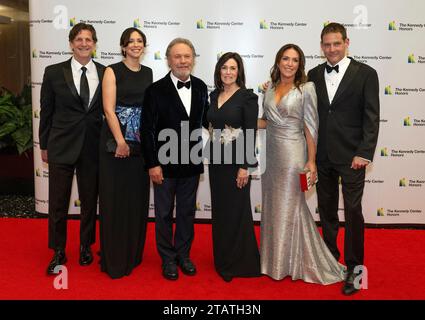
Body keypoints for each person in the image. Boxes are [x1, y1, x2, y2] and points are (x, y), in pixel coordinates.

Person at [259, 44, 345, 285]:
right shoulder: (270, 87)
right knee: (274, 205)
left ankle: (291, 263)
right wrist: (238, 122)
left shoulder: (306, 88)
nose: (289, 63)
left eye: (294, 60)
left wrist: (311, 160)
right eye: (285, 59)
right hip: (271, 155)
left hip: (293, 154)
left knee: (290, 205)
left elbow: (311, 126)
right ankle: (273, 260)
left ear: (300, 65)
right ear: (277, 61)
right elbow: (266, 122)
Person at [307, 23, 379, 295]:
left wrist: (365, 152)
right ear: (321, 45)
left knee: (353, 212)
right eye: (327, 44)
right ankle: (328, 260)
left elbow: (371, 117)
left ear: (346, 42)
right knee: (326, 212)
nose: (332, 49)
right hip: (323, 155)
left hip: (352, 156)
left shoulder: (366, 74)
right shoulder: (312, 74)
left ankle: (355, 269)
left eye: (336, 43)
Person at [39, 23, 105, 275]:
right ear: (71, 43)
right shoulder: (54, 72)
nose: (84, 43)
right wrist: (44, 144)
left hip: (92, 146)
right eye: (79, 39)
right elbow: (46, 111)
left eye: (89, 39)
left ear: (94, 44)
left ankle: (86, 246)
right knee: (58, 202)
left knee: (90, 201)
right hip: (61, 144)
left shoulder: (104, 71)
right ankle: (58, 250)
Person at [142, 38, 209, 280]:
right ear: (169, 60)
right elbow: (147, 130)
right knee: (162, 213)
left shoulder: (201, 87)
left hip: (191, 163)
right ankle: (167, 258)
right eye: (177, 56)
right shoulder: (155, 90)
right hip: (163, 165)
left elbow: (208, 122)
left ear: (193, 59)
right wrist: (152, 163)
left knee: (187, 212)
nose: (183, 61)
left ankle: (183, 254)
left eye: (187, 56)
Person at [98, 28, 152, 279]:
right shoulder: (112, 71)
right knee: (116, 199)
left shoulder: (149, 73)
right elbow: (109, 110)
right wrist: (120, 141)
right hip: (116, 145)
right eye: (130, 42)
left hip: (140, 146)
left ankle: (133, 251)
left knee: (136, 198)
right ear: (122, 46)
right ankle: (116, 256)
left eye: (139, 41)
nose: (135, 45)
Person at [207, 52, 260, 282]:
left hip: (236, 164)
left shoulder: (247, 97)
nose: (228, 72)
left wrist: (245, 166)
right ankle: (223, 258)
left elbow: (250, 131)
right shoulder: (213, 95)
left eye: (233, 68)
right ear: (219, 71)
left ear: (239, 72)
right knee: (221, 212)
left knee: (237, 212)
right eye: (224, 68)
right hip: (216, 162)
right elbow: (208, 123)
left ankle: (241, 263)